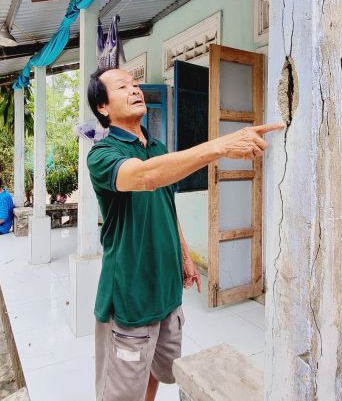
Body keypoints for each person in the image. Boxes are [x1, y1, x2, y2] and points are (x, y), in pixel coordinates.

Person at [86, 67, 282, 401]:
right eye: (122, 86)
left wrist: (185, 255)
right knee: (121, 392)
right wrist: (220, 146)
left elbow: (165, 204)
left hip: (167, 289)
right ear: (103, 107)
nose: (134, 89)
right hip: (130, 295)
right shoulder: (103, 156)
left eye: (135, 84)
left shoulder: (158, 148)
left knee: (160, 369)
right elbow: (146, 178)